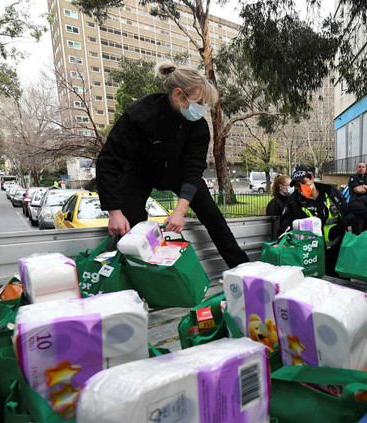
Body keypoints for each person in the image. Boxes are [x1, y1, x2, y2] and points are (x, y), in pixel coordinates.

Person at [96, 60, 249, 268]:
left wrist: (179, 211)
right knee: (131, 222)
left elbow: (193, 169)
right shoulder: (140, 115)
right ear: (178, 95)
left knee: (213, 216)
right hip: (140, 172)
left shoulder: (198, 127)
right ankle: (137, 277)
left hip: (179, 172)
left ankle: (242, 268)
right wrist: (114, 212)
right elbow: (108, 161)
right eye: (199, 102)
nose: (201, 109)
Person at [279, 165, 352, 276]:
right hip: (311, 255)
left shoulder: (330, 193)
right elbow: (286, 229)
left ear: (312, 178)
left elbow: (347, 211)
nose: (301, 187)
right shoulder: (292, 203)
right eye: (298, 186)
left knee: (340, 284)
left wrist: (342, 225)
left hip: (337, 250)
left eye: (304, 182)